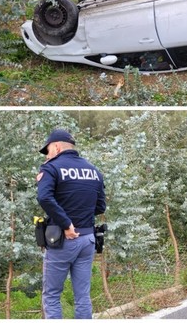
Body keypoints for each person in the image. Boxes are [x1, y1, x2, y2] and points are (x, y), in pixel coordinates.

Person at [36, 129, 106, 319]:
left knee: (51, 295)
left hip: (62, 240)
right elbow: (100, 206)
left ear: (57, 147)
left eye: (48, 150)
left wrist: (67, 224)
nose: (47, 155)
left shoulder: (51, 168)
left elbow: (44, 197)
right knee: (82, 296)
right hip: (88, 240)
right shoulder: (93, 170)